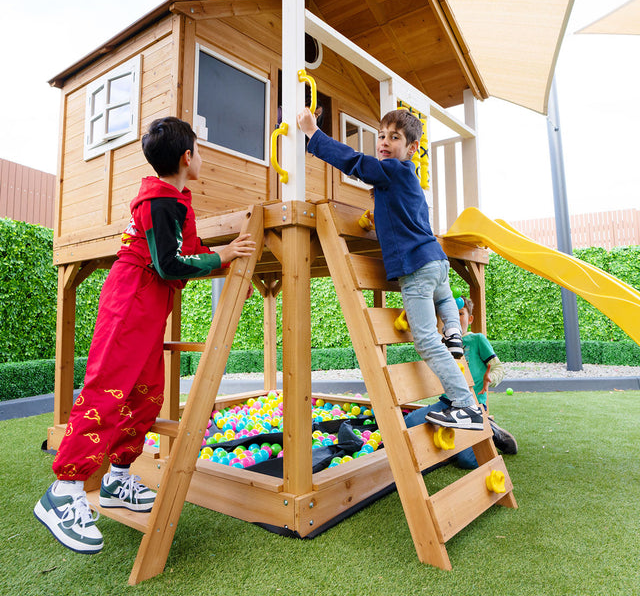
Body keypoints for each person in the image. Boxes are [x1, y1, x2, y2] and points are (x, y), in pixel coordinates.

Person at [34, 117, 256, 554]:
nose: (202, 156)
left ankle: (118, 479)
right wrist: (222, 254)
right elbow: (169, 264)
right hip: (131, 299)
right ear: (187, 158)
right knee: (108, 388)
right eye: (199, 149)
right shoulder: (159, 201)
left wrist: (226, 259)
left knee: (147, 391)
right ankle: (63, 491)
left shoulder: (175, 199)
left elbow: (183, 253)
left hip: (148, 303)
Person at [297, 107, 482, 431]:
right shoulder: (407, 182)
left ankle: (466, 406)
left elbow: (353, 161)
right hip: (437, 263)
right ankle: (454, 332)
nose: (383, 142)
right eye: (381, 136)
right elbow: (402, 217)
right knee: (443, 301)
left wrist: (314, 134)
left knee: (425, 342)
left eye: (393, 137)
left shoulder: (392, 170)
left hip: (417, 270)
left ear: (410, 148)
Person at [405, 296, 518, 468]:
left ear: (470, 319)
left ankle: (490, 430)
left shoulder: (477, 340)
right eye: (448, 315)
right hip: (446, 404)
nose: (455, 319)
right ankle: (463, 433)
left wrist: (491, 378)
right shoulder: (441, 344)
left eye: (460, 313)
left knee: (468, 461)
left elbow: (498, 368)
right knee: (409, 423)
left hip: (472, 407)